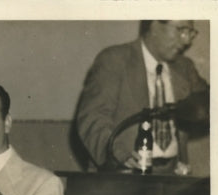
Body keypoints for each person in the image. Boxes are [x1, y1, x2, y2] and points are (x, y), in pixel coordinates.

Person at [76, 21, 208, 172]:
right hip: (124, 175)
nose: (187, 41)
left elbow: (211, 105)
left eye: (191, 33)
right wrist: (120, 157)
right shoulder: (115, 60)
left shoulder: (185, 67)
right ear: (154, 25)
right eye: (181, 30)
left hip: (172, 175)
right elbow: (93, 119)